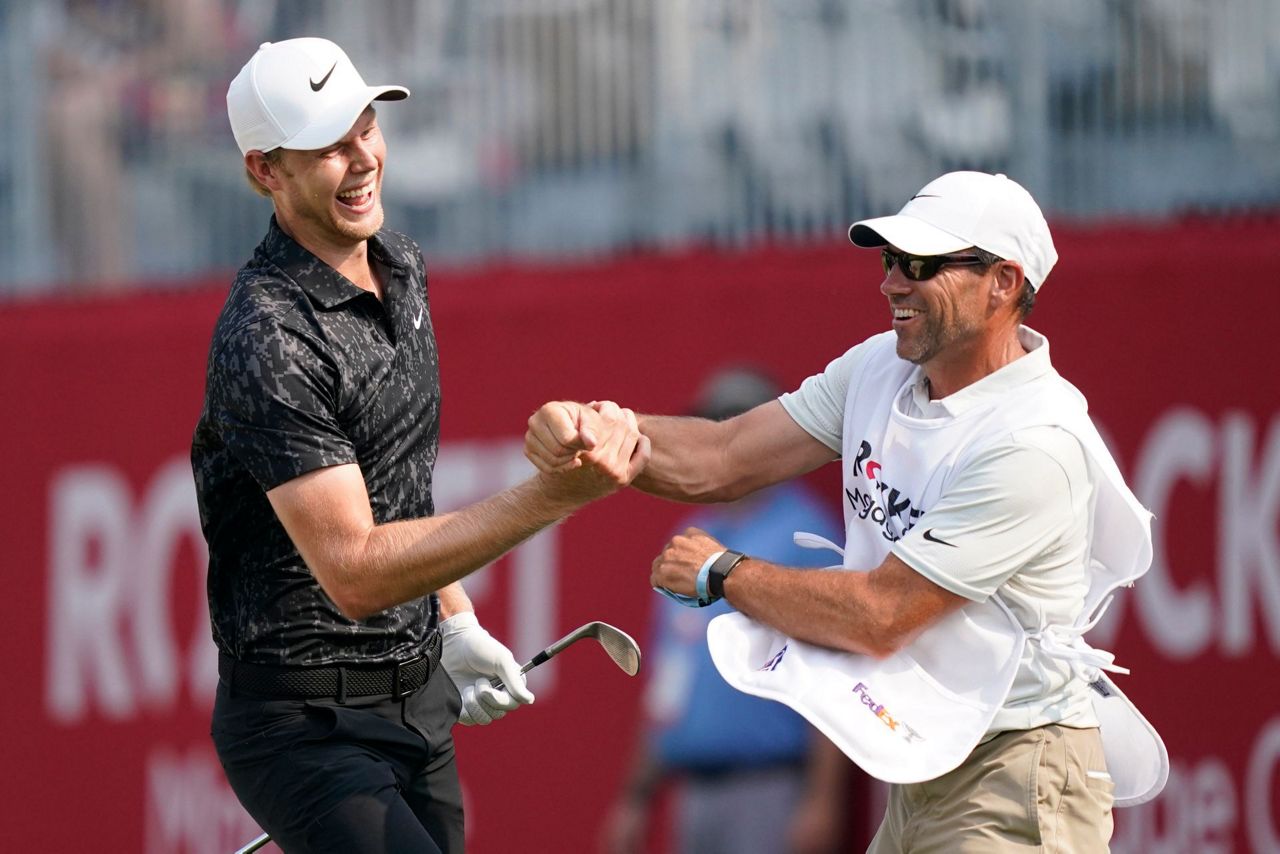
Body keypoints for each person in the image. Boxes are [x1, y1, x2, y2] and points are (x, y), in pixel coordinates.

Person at [527, 171, 1164, 852]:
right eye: (890, 261)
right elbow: (723, 454)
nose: (891, 283)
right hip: (928, 765)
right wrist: (598, 428)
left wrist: (722, 572)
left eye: (919, 265)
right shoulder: (877, 370)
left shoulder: (1034, 442)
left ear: (1003, 282)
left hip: (1018, 765)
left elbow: (880, 615)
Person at [191, 38, 648, 854]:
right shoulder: (268, 336)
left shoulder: (402, 266)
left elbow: (396, 488)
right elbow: (357, 573)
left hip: (415, 699)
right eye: (330, 146)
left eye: (365, 125)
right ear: (266, 170)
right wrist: (553, 498)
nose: (363, 156)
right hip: (303, 725)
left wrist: (455, 619)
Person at [602, 367, 850, 854]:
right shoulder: (693, 531)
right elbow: (670, 680)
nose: (723, 439)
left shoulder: (807, 534)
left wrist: (821, 800)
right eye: (712, 423)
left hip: (770, 787)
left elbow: (837, 678)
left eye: (735, 423)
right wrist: (635, 796)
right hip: (693, 791)